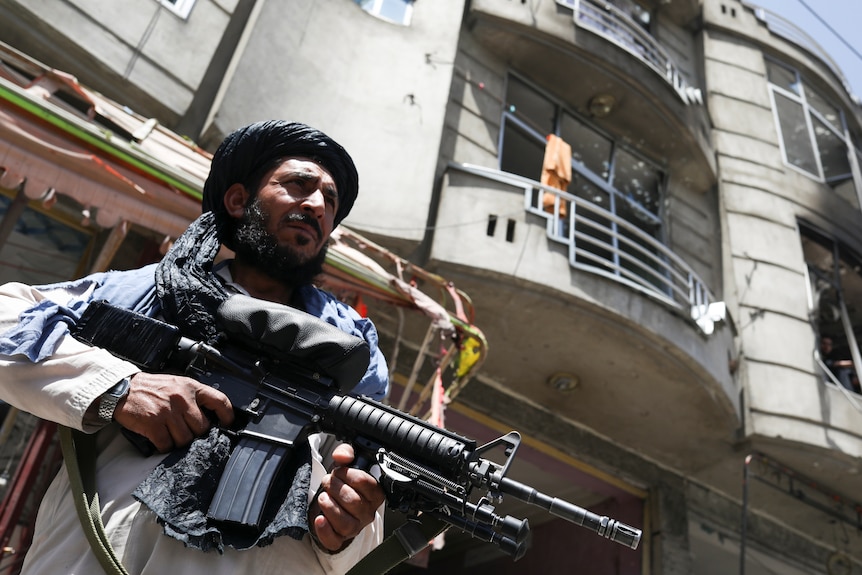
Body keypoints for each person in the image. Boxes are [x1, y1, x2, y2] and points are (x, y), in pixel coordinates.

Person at [0, 121, 389, 574]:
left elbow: (362, 494)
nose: (318, 205)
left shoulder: (347, 352)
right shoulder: (154, 293)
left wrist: (348, 530)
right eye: (299, 185)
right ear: (239, 201)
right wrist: (120, 389)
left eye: (331, 200)